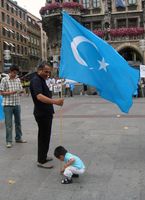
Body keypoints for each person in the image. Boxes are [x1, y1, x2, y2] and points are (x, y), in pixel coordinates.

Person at [30, 61, 64, 169]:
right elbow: (39, 96)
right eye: (45, 72)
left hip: (46, 112)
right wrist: (55, 102)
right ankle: (41, 160)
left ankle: (43, 156)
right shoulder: (36, 80)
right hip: (42, 113)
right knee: (43, 137)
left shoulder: (41, 79)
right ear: (39, 70)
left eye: (49, 72)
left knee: (46, 136)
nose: (48, 74)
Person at [0, 65, 27, 148]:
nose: (15, 74)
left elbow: (20, 89)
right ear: (10, 71)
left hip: (17, 104)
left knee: (18, 122)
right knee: (8, 124)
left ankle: (18, 138)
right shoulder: (4, 79)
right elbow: (1, 92)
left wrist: (22, 91)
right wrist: (11, 92)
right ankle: (9, 141)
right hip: (7, 105)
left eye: (16, 73)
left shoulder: (18, 79)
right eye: (14, 73)